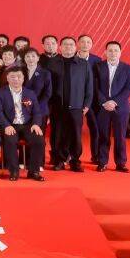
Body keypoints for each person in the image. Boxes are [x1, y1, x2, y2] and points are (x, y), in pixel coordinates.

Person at [46, 36, 93, 172]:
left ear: (75, 47)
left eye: (71, 45)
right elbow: (47, 86)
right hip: (57, 106)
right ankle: (59, 160)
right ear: (60, 47)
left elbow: (89, 86)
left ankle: (75, 161)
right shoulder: (52, 63)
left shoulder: (84, 64)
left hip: (76, 106)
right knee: (58, 134)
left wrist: (87, 104)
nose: (68, 47)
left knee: (76, 135)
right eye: (65, 44)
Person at [0, 67, 46, 181]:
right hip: (10, 124)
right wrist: (6, 125)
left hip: (27, 125)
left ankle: (34, 171)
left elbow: (37, 112)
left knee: (39, 140)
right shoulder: (0, 93)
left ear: (23, 78)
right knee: (10, 140)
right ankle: (14, 171)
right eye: (12, 77)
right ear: (7, 78)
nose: (16, 79)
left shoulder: (30, 93)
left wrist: (36, 124)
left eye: (19, 77)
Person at [92, 41, 130, 172]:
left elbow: (128, 89)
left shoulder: (128, 69)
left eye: (116, 50)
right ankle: (102, 162)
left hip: (120, 108)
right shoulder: (98, 67)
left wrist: (114, 102)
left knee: (120, 136)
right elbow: (95, 87)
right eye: (110, 50)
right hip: (103, 107)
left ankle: (121, 163)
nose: (113, 53)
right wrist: (104, 102)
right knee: (103, 135)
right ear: (105, 52)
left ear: (120, 52)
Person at [21, 48, 53, 134]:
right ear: (24, 58)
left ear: (38, 58)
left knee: (39, 136)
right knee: (25, 135)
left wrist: (36, 106)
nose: (30, 59)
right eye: (28, 56)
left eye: (33, 56)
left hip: (40, 109)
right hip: (23, 109)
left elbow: (48, 93)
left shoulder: (45, 73)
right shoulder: (20, 71)